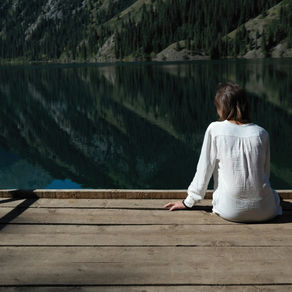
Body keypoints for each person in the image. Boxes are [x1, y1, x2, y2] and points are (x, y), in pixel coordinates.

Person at [163, 81, 282, 223]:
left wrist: (188, 202)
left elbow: (204, 169)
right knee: (275, 196)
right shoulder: (262, 133)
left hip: (230, 211)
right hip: (265, 210)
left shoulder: (215, 130)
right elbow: (264, 174)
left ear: (223, 107)